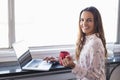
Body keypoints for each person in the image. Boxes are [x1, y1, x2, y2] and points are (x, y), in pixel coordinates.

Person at [44, 6, 107, 80]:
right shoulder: (87, 39)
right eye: (82, 20)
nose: (84, 23)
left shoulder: (95, 43)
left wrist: (73, 66)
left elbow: (95, 76)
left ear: (96, 23)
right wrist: (59, 59)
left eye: (89, 20)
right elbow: (81, 56)